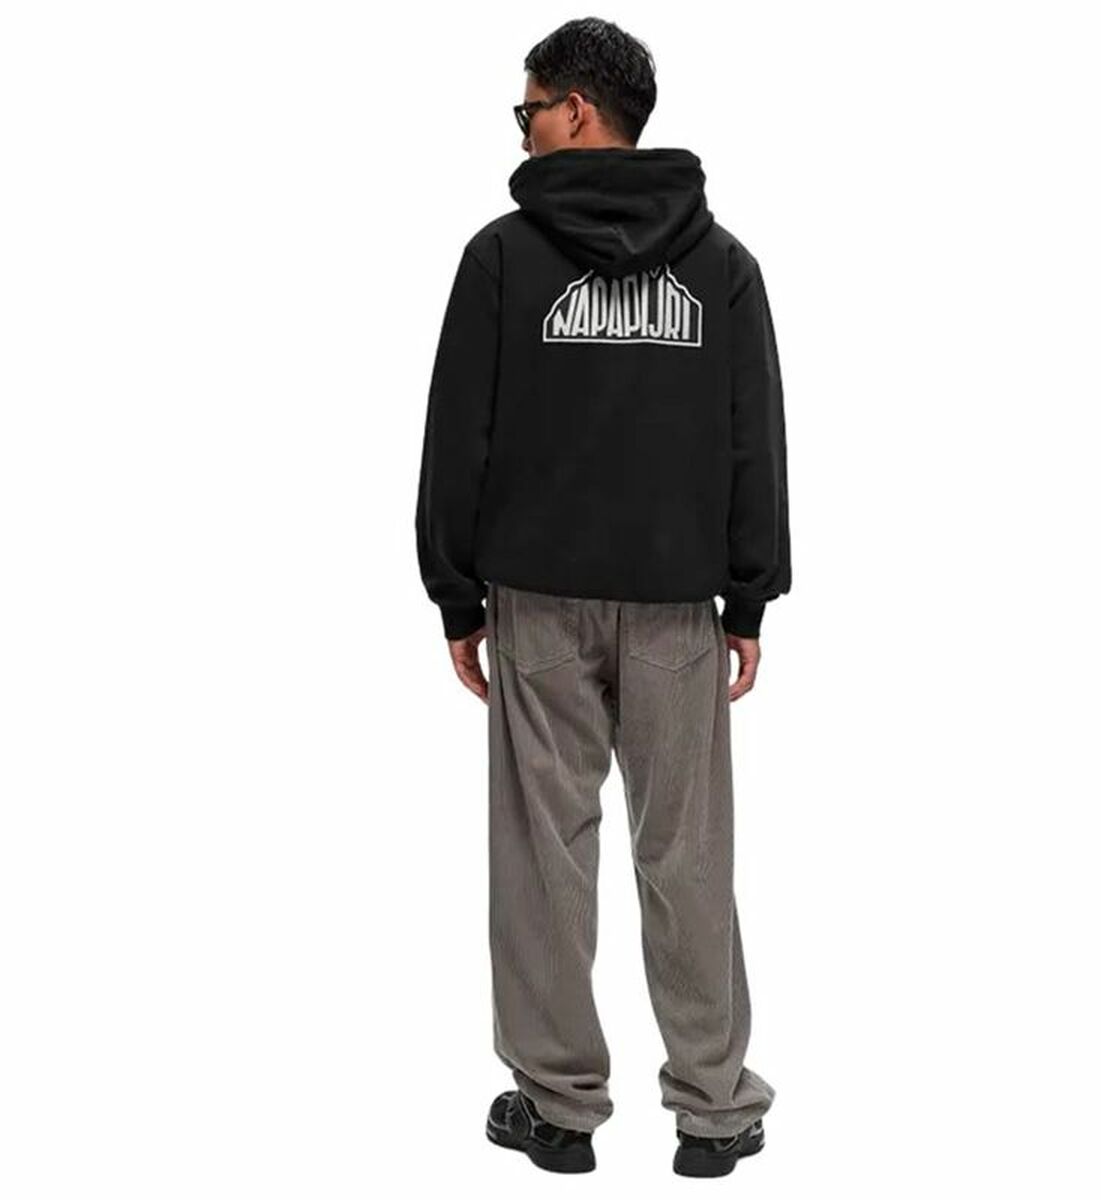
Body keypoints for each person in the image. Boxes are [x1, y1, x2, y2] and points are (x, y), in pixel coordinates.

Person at [415, 17, 790, 1178]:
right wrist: (747, 602)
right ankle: (715, 1112)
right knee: (688, 859)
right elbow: (754, 443)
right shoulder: (721, 268)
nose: (521, 132)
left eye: (528, 111)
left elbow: (457, 437)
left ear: (577, 109)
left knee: (543, 860)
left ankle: (560, 1107)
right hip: (678, 608)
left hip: (538, 603)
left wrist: (456, 597)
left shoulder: (502, 260)